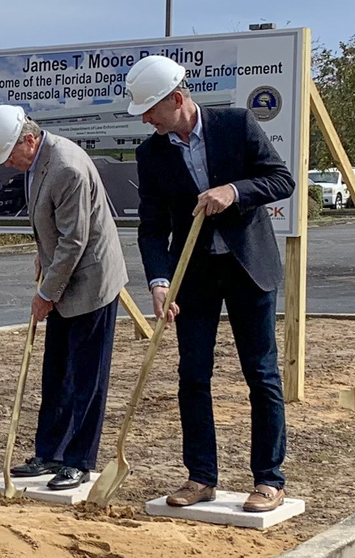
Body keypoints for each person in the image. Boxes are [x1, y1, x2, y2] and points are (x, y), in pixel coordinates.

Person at [127, 55, 295, 512]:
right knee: (193, 375)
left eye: (150, 110)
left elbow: (281, 179)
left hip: (248, 268)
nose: (145, 119)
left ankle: (269, 479)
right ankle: (201, 476)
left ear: (177, 99)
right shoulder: (151, 154)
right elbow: (152, 227)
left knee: (261, 374)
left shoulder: (236, 125)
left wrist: (234, 191)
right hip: (194, 275)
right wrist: (159, 282)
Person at [0, 105, 128, 490]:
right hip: (62, 272)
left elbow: (75, 241)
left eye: (9, 155)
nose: (7, 164)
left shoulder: (66, 168)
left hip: (92, 280)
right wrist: (43, 259)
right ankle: (49, 453)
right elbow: (53, 227)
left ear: (29, 139)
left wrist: (45, 294)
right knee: (57, 371)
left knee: (87, 376)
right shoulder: (34, 162)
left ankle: (78, 461)